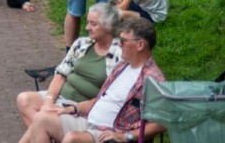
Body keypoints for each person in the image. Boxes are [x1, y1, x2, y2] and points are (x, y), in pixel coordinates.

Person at [15, 15, 164, 143]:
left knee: (72, 139)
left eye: (124, 41)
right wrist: (75, 108)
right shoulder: (122, 66)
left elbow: (162, 123)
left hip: (110, 131)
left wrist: (126, 136)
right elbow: (99, 99)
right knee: (41, 119)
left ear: (140, 45)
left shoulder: (152, 80)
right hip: (89, 120)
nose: (119, 44)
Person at [17, 1, 119, 128]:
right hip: (60, 97)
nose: (87, 27)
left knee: (43, 119)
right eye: (88, 22)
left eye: (93, 24)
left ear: (108, 27)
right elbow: (60, 74)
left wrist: (72, 108)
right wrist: (49, 101)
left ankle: (46, 133)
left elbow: (109, 96)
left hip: (82, 108)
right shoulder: (82, 44)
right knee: (24, 99)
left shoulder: (119, 55)